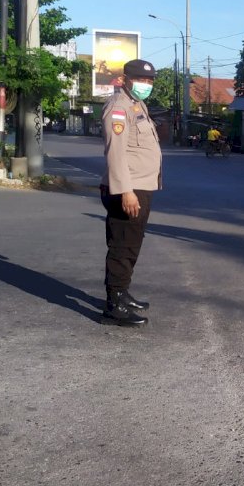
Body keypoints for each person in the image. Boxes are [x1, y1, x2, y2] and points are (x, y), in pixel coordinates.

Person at [100, 59, 162, 327]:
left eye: (149, 81)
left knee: (131, 245)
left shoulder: (136, 104)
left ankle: (122, 293)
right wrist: (126, 191)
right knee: (122, 246)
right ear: (125, 79)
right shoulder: (118, 108)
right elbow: (116, 152)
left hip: (140, 186)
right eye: (140, 80)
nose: (145, 85)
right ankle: (115, 306)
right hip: (128, 188)